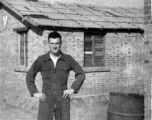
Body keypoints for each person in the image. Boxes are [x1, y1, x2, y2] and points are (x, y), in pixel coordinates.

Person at [26, 31, 85, 120]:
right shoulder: (41, 60)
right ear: (48, 44)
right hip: (46, 97)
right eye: (52, 43)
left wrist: (72, 89)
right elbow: (30, 75)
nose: (54, 46)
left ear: (60, 43)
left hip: (63, 97)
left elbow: (81, 73)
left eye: (57, 43)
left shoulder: (68, 59)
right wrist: (34, 92)